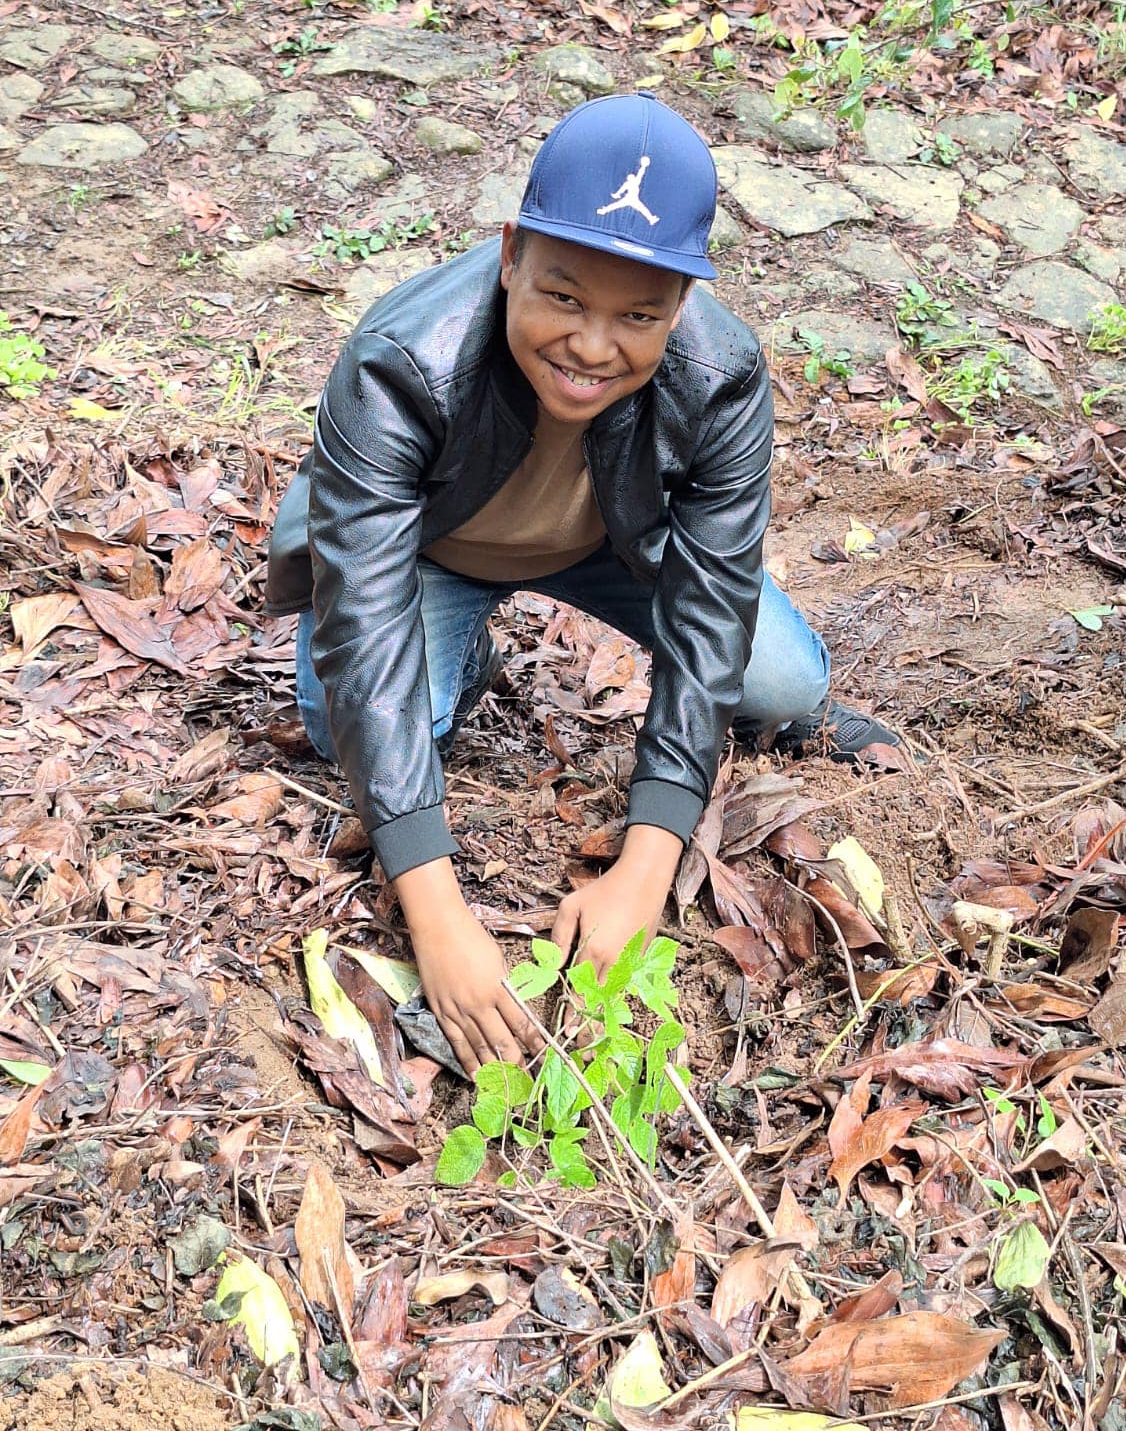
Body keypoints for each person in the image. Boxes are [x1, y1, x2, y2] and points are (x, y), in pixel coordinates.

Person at [265, 92, 898, 1077]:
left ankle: (771, 704)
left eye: (638, 316)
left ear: (683, 304)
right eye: (563, 297)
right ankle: (467, 647)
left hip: (617, 543)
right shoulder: (400, 361)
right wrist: (436, 917)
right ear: (513, 251)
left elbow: (714, 599)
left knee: (778, 686)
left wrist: (647, 865)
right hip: (426, 552)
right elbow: (361, 610)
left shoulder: (721, 373)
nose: (594, 347)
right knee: (341, 722)